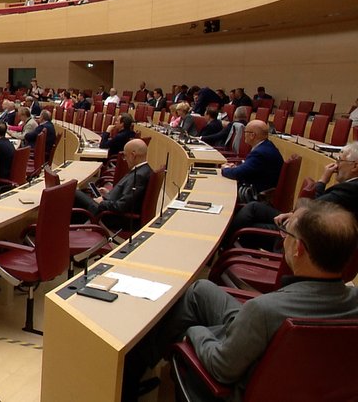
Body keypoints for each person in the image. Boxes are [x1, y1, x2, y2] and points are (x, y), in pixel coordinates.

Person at [123, 201, 358, 402]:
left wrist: (195, 332)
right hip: (297, 365)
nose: (283, 237)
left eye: (287, 232)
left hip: (241, 377)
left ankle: (130, 376)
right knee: (200, 290)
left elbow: (221, 368)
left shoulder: (264, 310)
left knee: (186, 322)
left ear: (298, 249)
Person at [227, 141, 358, 248]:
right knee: (253, 207)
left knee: (248, 229)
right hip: (304, 223)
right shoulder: (351, 186)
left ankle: (224, 244)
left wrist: (322, 180)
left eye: (340, 160)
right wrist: (294, 213)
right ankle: (225, 241)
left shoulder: (350, 190)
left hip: (304, 236)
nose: (336, 165)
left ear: (355, 166)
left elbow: (313, 207)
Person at [73, 139, 151, 230]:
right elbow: (129, 197)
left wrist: (102, 202)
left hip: (113, 216)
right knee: (78, 196)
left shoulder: (138, 176)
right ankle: (75, 229)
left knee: (74, 192)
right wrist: (109, 193)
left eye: (125, 156)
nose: (125, 160)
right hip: (110, 206)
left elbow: (122, 206)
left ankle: (70, 230)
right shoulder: (145, 169)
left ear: (133, 155)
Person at [221, 120, 283, 195]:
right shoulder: (267, 146)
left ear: (252, 135)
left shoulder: (260, 153)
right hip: (259, 187)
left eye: (245, 132)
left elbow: (239, 174)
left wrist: (225, 169)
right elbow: (249, 169)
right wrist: (236, 167)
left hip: (256, 194)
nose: (244, 135)